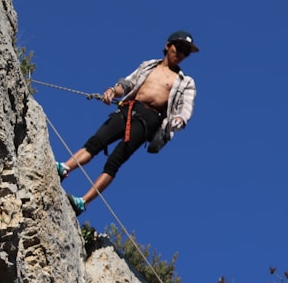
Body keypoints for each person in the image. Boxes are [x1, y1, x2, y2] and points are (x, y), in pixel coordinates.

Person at [58, 30, 199, 215]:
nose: (181, 54)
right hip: (128, 108)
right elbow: (128, 83)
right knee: (96, 141)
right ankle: (64, 167)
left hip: (149, 119)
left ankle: (82, 202)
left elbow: (185, 107)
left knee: (116, 159)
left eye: (185, 52)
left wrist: (180, 119)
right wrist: (112, 91)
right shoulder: (149, 65)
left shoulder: (185, 82)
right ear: (168, 45)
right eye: (179, 48)